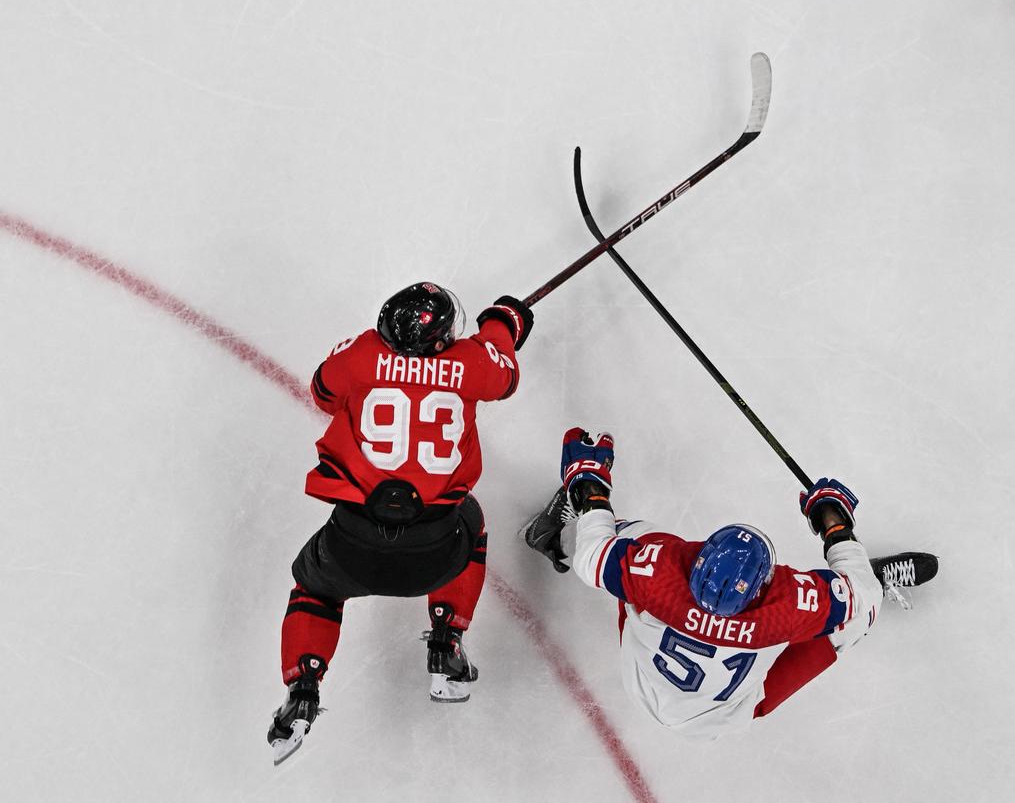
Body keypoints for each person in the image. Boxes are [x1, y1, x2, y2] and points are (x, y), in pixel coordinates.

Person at [267, 282, 533, 764]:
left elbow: (323, 392)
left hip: (352, 546)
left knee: (316, 588)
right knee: (471, 520)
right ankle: (447, 642)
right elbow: (505, 374)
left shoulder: (363, 351)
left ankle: (303, 688)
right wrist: (503, 321)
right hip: (437, 552)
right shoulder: (470, 363)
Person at [523, 428, 937, 736]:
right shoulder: (785, 609)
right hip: (729, 713)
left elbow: (593, 557)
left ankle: (553, 537)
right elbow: (859, 602)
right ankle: (866, 578)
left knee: (624, 535)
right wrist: (836, 528)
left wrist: (589, 485)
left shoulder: (659, 578)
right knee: (855, 619)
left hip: (643, 681)